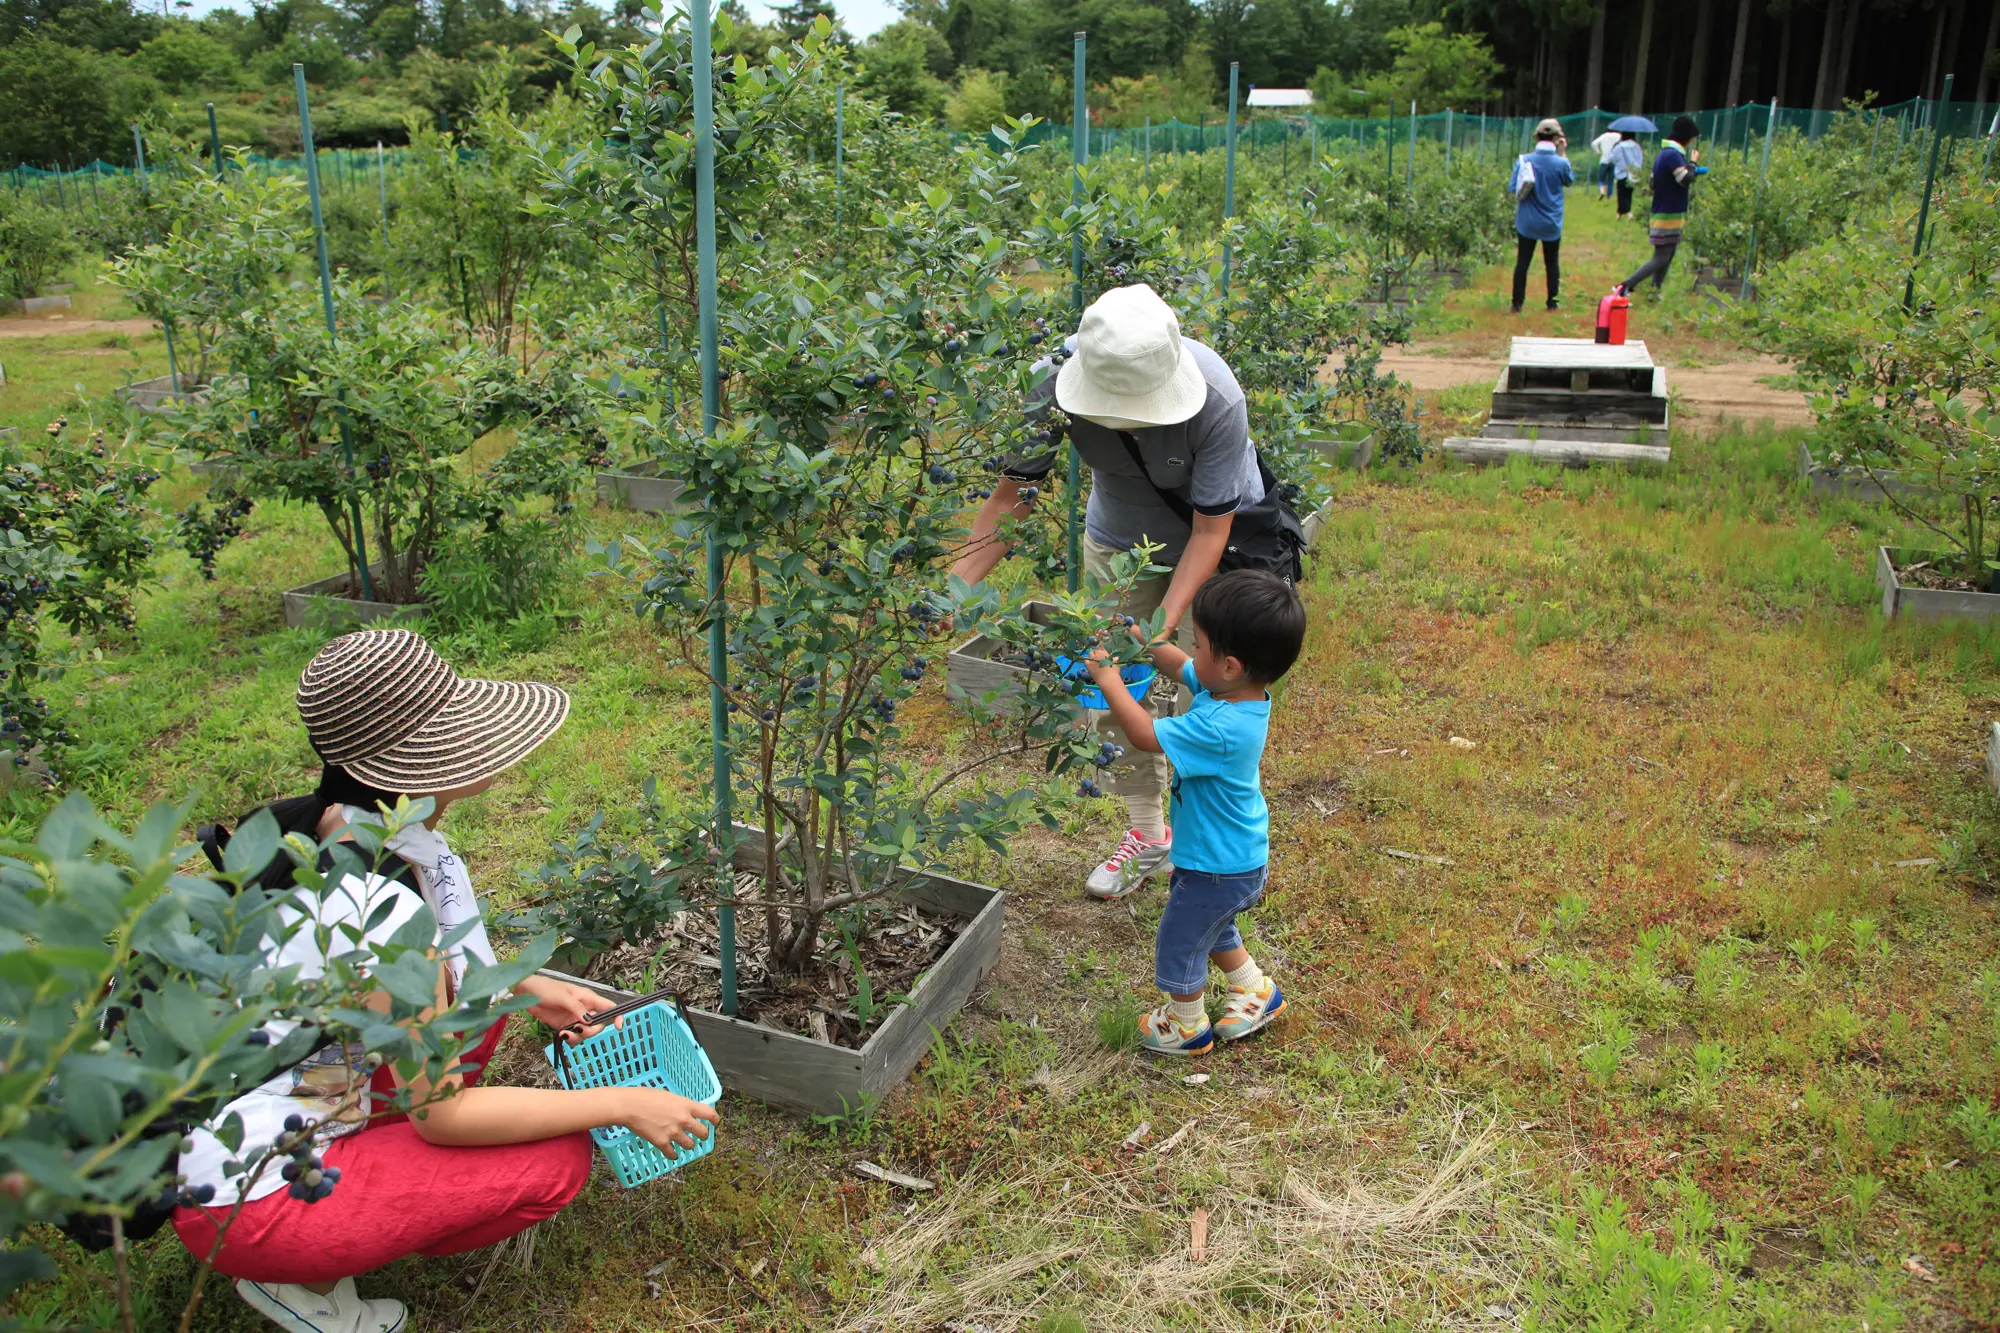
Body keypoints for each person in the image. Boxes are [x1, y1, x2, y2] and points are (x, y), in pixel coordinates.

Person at [174, 628, 719, 1333]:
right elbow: (444, 1118)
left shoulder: (306, 826)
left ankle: (335, 1210)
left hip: (216, 1124)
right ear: (420, 768)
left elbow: (398, 984)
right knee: (554, 1161)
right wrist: (620, 1102)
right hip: (247, 1202)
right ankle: (298, 1278)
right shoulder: (389, 916)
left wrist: (532, 988)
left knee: (476, 1010)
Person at [952, 283, 1291, 902]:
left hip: (1222, 547)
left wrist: (1162, 622)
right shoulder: (1049, 384)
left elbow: (1211, 530)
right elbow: (1012, 498)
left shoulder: (1217, 397)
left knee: (1210, 697)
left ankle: (1212, 846)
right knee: (1109, 688)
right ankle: (1149, 835)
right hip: (1118, 540)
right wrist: (952, 589)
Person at [1085, 568, 1305, 1055]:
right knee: (1211, 924)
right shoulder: (1229, 691)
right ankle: (1256, 991)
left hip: (1220, 867)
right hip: (1224, 860)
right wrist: (1144, 642)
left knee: (1181, 939)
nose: (1193, 652)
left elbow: (1145, 735)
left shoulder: (1222, 727)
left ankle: (1185, 1026)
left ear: (1229, 665)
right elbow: (1182, 665)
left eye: (1200, 644)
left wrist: (1107, 677)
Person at [1618, 115, 1705, 297]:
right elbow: (1685, 179)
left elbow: (1652, 182)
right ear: (1686, 137)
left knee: (1668, 255)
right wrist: (1693, 163)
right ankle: (1625, 286)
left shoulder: (1665, 154)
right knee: (1661, 257)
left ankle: (1654, 291)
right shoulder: (1673, 155)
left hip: (1668, 212)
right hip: (1667, 214)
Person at [1508, 118, 1575, 314]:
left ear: (1536, 137)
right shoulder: (1561, 163)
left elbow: (1513, 187)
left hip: (1527, 222)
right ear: (1556, 138)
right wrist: (1563, 153)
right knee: (1552, 262)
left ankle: (1517, 303)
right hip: (1551, 222)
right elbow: (1569, 181)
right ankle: (1552, 302)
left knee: (1523, 262)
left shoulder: (1524, 160)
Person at [1611, 131, 1645, 218]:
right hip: (1633, 173)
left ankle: (1628, 213)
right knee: (1628, 194)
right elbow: (1640, 158)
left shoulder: (1619, 146)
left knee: (1621, 194)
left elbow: (1612, 158)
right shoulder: (1636, 146)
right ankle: (1619, 213)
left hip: (1621, 173)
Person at [1590, 126, 1621, 199]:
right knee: (1611, 180)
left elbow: (1593, 143)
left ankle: (1602, 190)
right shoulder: (1618, 136)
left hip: (1604, 160)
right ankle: (1609, 196)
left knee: (1601, 179)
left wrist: (1598, 151)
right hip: (1613, 161)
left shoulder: (1604, 136)